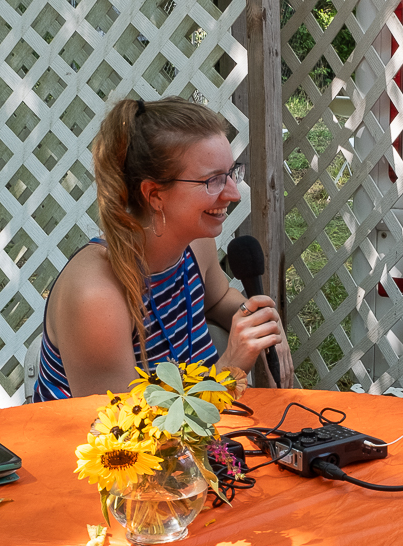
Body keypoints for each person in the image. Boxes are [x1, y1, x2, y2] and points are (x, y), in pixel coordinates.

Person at [33, 96, 294, 401]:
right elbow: (123, 432)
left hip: (194, 442)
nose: (234, 194)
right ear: (154, 194)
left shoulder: (196, 245)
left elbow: (219, 298)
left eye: (232, 173)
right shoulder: (96, 295)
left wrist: (257, 323)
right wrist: (230, 368)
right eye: (213, 180)